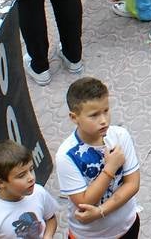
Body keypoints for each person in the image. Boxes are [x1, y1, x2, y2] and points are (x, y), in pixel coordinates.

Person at [54, 76, 143, 239]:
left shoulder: (120, 135)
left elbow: (133, 184)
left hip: (127, 225)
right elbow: (84, 202)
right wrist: (110, 169)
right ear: (74, 117)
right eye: (94, 115)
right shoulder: (66, 155)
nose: (103, 120)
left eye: (106, 111)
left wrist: (101, 211)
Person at [0, 140, 60, 239]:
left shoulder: (39, 192)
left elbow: (50, 218)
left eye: (31, 169)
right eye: (21, 175)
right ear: (0, 183)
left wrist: (48, 236)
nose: (31, 178)